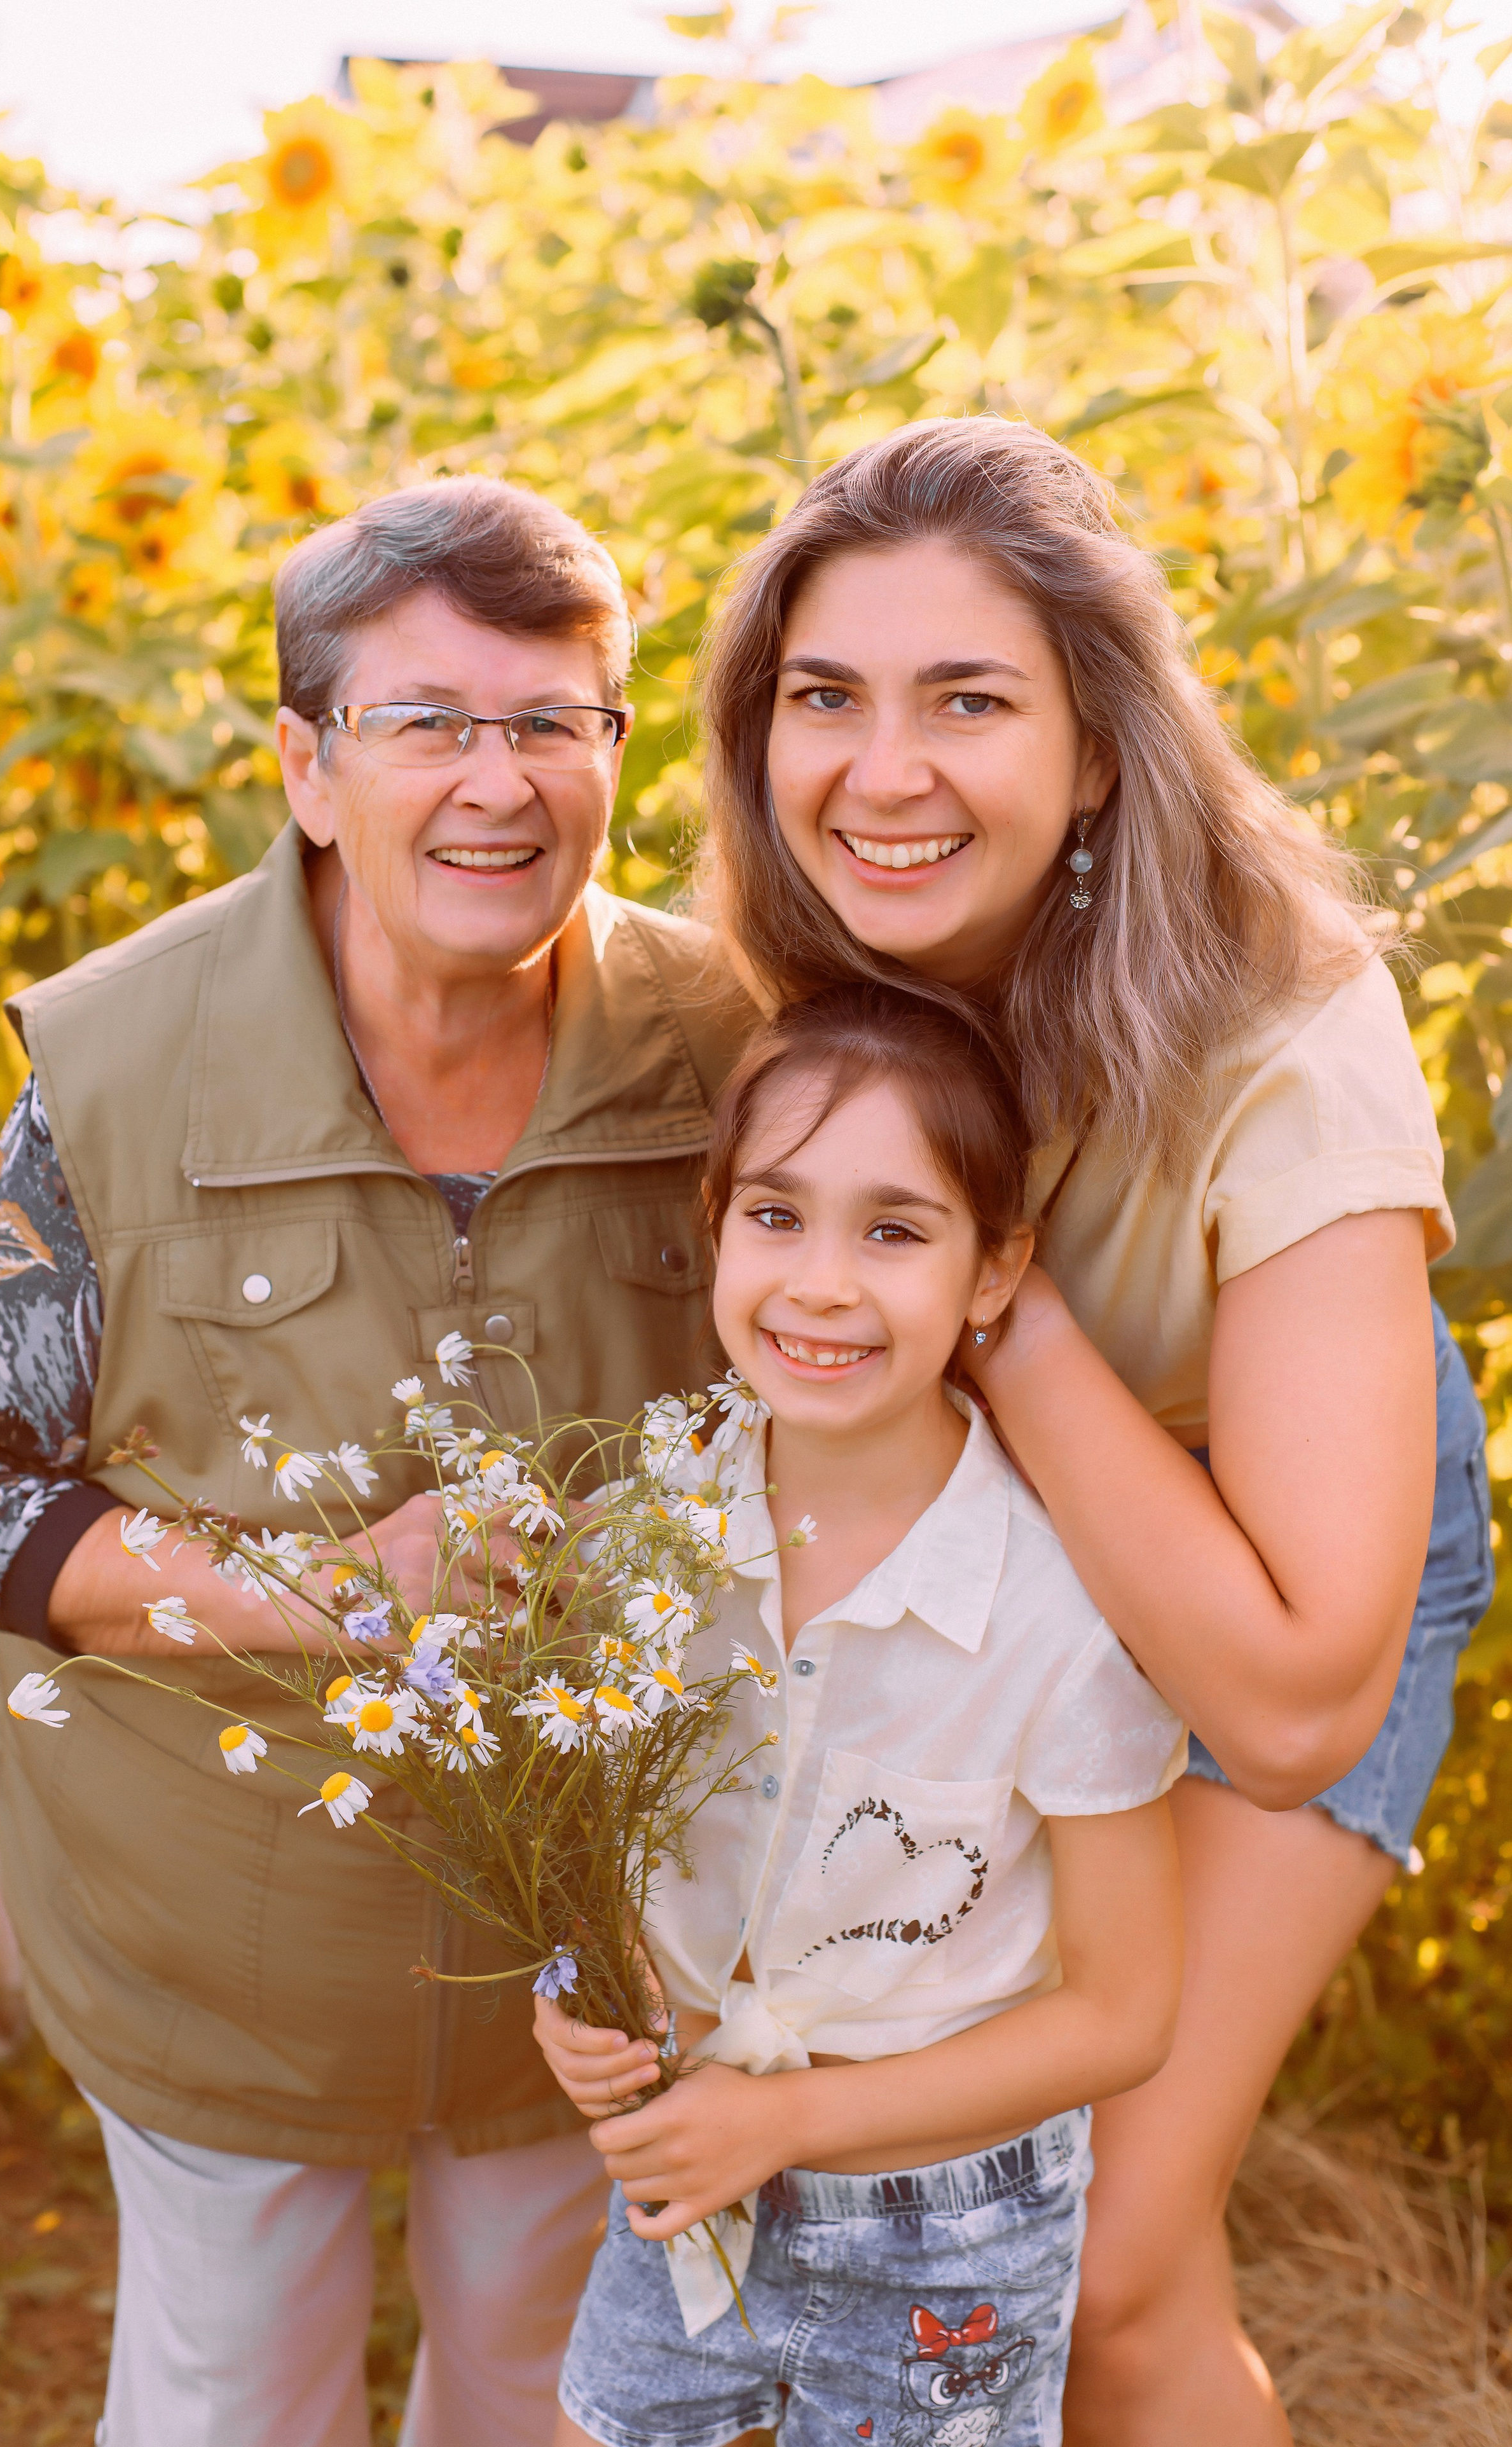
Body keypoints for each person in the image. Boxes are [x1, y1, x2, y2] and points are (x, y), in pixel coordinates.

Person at [0, 475, 753, 2447]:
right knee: (229, 2401)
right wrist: (319, 1600)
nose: (499, 784)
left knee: (548, 2388)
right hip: (219, 1938)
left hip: (594, 1935)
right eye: (427, 722)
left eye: (555, 722)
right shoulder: (117, 1066)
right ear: (305, 765)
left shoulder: (728, 1046)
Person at [696, 417, 1495, 2446]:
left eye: (968, 699)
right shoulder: (773, 977)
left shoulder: (1281, 1025)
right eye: (825, 700)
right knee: (1093, 2285)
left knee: (1102, 2246)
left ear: (1103, 746)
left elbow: (1302, 1696)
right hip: (986, 1572)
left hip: (1280, 1553)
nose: (882, 774)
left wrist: (1004, 1309)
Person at [535, 984, 1187, 2447]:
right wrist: (580, 1989)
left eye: (892, 1230)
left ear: (990, 1272)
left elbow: (1123, 2011)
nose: (819, 1283)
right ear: (714, 1224)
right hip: (695, 2168)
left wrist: (787, 2122)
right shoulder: (643, 1537)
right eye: (775, 1215)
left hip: (948, 2230)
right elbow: (597, 1835)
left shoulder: (1054, 1616)